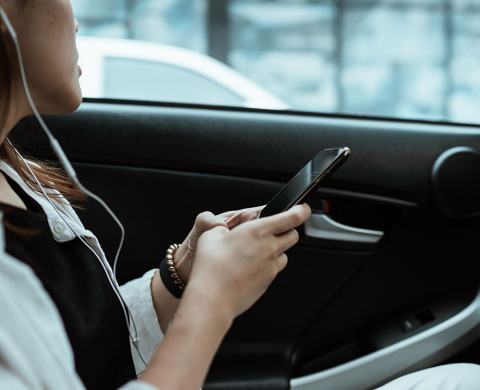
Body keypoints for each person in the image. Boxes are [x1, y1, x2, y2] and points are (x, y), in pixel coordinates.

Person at [0, 1, 478, 390]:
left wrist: (180, 275)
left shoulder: (15, 173)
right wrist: (212, 301)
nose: (76, 17)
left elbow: (81, 343)